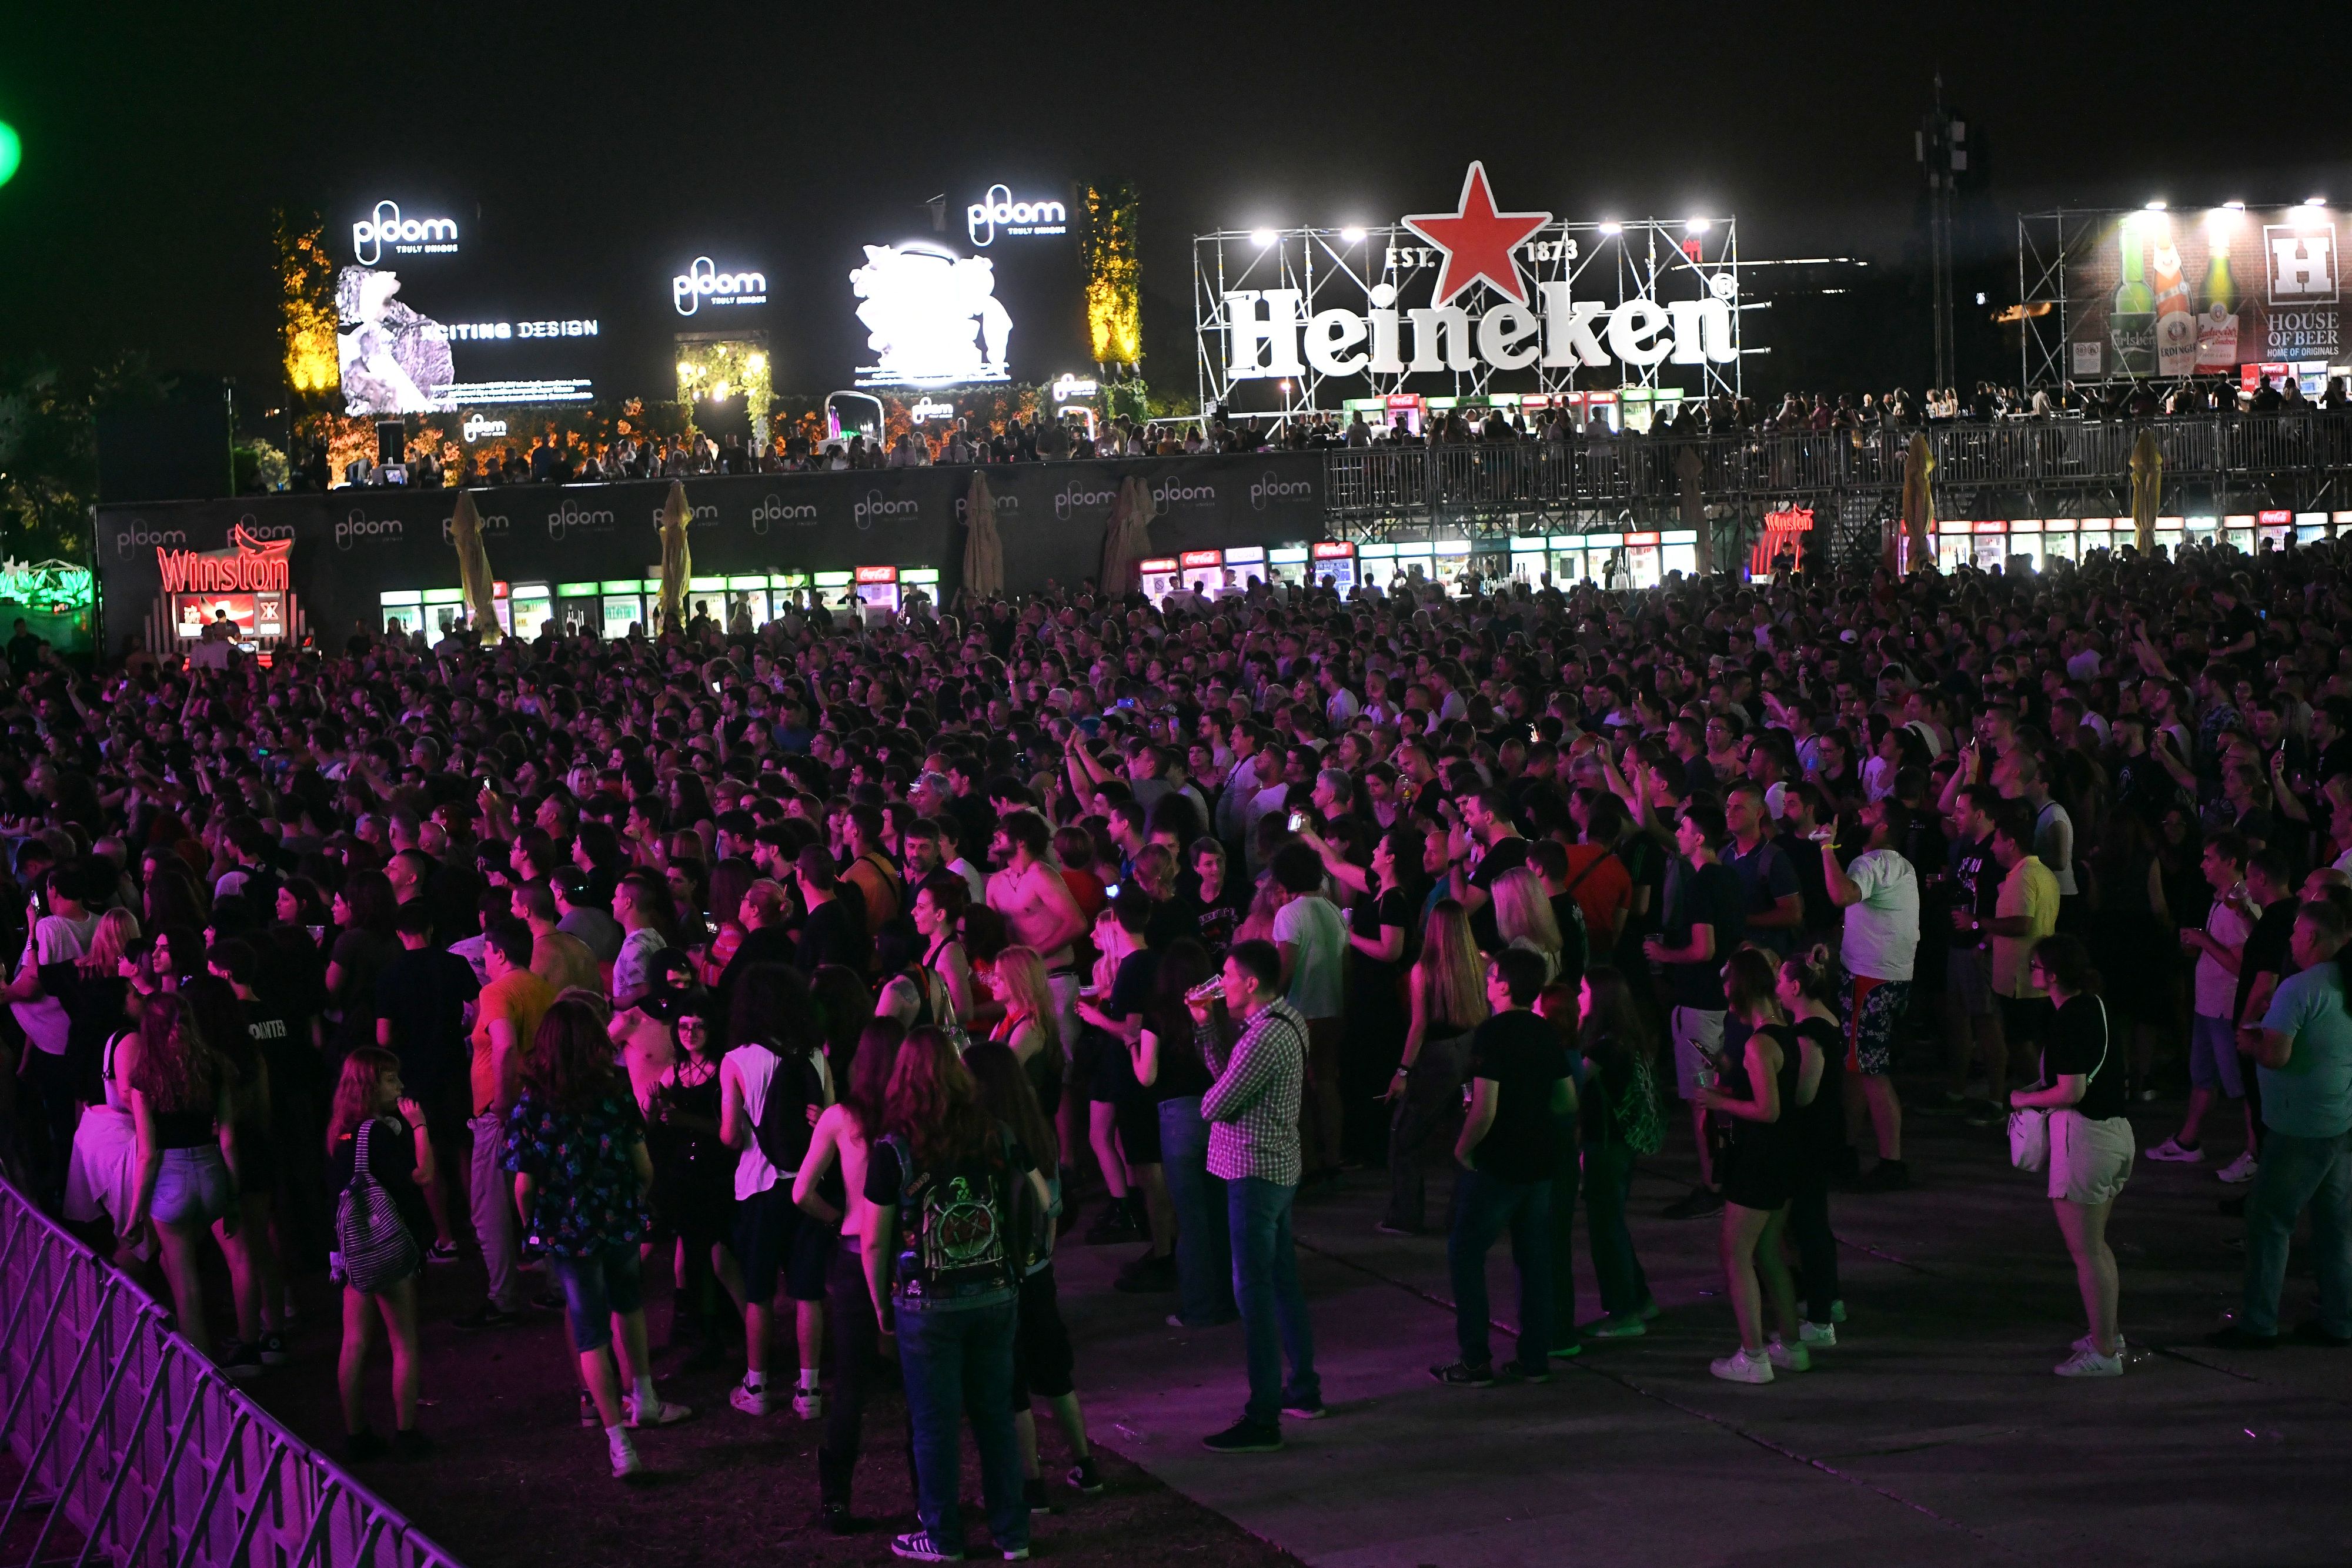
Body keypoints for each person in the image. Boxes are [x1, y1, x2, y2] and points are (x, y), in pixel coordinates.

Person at [861, 1027, 1047, 1563]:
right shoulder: (996, 1132)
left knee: (935, 1424)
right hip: (995, 1291)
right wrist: (1031, 1252)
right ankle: (1013, 1534)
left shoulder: (895, 1148)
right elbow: (1040, 1194)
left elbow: (875, 1237)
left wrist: (880, 1301)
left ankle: (944, 1537)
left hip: (926, 1302)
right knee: (995, 1414)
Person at [505, 998, 693, 1480]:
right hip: (618, 1217)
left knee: (589, 1332)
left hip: (568, 1230)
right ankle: (645, 1393)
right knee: (628, 1304)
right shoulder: (614, 1093)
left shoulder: (531, 1104)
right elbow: (643, 1164)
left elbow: (523, 1184)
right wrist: (632, 1201)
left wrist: (535, 1225)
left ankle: (619, 1443)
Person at [1189, 938, 1322, 1452]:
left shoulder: (1264, 1037)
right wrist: (1205, 1025)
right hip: (1279, 1166)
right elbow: (1230, 1076)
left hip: (1255, 1173)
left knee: (1255, 1295)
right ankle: (1303, 1389)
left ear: (1249, 982)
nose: (1218, 984)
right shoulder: (1285, 1021)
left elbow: (1214, 1102)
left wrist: (1206, 1038)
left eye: (1225, 975)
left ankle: (1263, 1415)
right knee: (1283, 1282)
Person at [965, 1039, 1104, 1507]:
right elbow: (1054, 1204)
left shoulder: (991, 1140)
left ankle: (1030, 1484)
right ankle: (1085, 1463)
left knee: (1012, 1384)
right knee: (1055, 1372)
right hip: (1040, 1270)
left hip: (1003, 1276)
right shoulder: (1040, 1132)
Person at [2213, 898, 2352, 1349]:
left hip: (2300, 1124)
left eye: (2295, 933)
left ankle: (2258, 1322)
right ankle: (2339, 1318)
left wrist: (2250, 1041)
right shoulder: (2342, 983)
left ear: (2311, 937)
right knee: (2334, 1225)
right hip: (2338, 1118)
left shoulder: (2300, 988)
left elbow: (2277, 1053)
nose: (2291, 939)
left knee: (2269, 1219)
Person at [1430, 947, 1568, 1386]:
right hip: (1541, 1160)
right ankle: (1534, 1358)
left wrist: (1463, 1149)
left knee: (1465, 1252)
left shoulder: (1491, 1034)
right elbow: (1567, 1099)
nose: (1487, 982)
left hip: (1500, 1161)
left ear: (1504, 986)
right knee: (1534, 1258)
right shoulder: (1545, 1032)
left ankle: (1474, 1359)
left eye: (1491, 976)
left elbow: (1484, 1107)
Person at [794, 1016, 904, 1534]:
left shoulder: (840, 1118)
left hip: (855, 1248)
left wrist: (837, 1217)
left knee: (852, 1387)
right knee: (915, 1384)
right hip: (907, 1253)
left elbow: (801, 1192)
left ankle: (836, 1500)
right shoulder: (914, 1116)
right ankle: (929, 1497)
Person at [2009, 935, 2134, 1375]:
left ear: (2054, 974)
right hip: (2116, 1134)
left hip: (2085, 1139)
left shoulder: (2067, 1020)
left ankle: (2102, 1354)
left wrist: (2023, 1100)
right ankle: (2108, 1333)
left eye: (2037, 965)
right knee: (2097, 1246)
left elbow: (2072, 1090)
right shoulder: (2094, 1005)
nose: (2032, 971)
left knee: (2086, 1251)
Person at [720, 962, 834, 1422]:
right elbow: (829, 1116)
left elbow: (730, 1135)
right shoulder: (816, 1054)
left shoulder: (738, 1060)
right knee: (809, 1290)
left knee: (759, 1292)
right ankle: (809, 1389)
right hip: (808, 1185)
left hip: (759, 1187)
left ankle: (758, 1383)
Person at [1697, 948, 1809, 1384]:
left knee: (1736, 1253)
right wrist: (1730, 1069)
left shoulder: (1760, 1042)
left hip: (1759, 1160)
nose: (1728, 1004)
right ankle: (1792, 1346)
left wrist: (1717, 1099)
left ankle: (1753, 1354)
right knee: (1768, 1250)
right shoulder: (1784, 1035)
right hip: (1784, 1159)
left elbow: (1768, 1109)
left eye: (1729, 994)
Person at [326, 1047, 433, 1460]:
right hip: (387, 1248)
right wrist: (420, 1127)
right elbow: (423, 1176)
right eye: (391, 1080)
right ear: (371, 1085)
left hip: (354, 1251)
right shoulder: (380, 1134)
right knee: (403, 1340)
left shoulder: (339, 1133)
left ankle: (356, 1433)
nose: (400, 1086)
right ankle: (406, 1431)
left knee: (353, 1341)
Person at [122, 993, 240, 1363]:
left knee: (184, 1284)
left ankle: (201, 1375)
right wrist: (232, 1198)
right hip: (211, 1176)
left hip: (171, 1182)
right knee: (190, 1262)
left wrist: (135, 1215)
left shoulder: (145, 1077)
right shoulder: (214, 1067)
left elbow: (147, 1153)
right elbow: (228, 1138)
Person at [455, 915, 553, 1330]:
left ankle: (504, 1298)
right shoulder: (543, 987)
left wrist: (500, 1102)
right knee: (540, 1195)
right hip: (542, 1102)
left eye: (486, 953)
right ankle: (556, 1283)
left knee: (488, 1207)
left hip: (502, 1112)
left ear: (497, 952)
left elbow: (506, 1043)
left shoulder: (495, 991)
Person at [1647, 800, 1745, 1218]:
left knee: (1703, 1097)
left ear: (1700, 836)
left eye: (1685, 826)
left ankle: (1713, 1182)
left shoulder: (1702, 883)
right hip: (1726, 1000)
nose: (1679, 831)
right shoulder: (1730, 878)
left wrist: (1663, 954)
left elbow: (1702, 948)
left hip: (1700, 1003)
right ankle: (1731, 1172)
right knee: (1725, 1092)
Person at [1818, 796, 1921, 1191]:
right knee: (1857, 1067)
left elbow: (1842, 894)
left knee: (1872, 1072)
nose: (1860, 812)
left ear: (1882, 827)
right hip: (1890, 977)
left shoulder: (1872, 862)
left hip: (1870, 980)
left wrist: (1826, 847)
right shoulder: (1901, 866)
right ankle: (1846, 1148)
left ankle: (1891, 1161)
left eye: (1868, 812)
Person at [1136, 938, 1235, 1328]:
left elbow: (1147, 1075)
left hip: (1178, 1116)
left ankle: (1199, 1306)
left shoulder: (1158, 1013)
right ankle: (1231, 1297)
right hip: (1219, 1110)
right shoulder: (1221, 1009)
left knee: (1190, 1219)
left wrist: (1130, 1047)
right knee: (1221, 1211)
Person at [2150, 833, 2259, 1172]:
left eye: (2210, 858)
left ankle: (2256, 1154)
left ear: (2231, 862)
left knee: (2243, 1088)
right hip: (2208, 1006)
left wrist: (2203, 940)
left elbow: (2242, 965)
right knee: (2203, 1078)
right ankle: (2188, 1141)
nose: (2203, 864)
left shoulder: (2241, 905)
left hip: (2226, 1009)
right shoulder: (2220, 899)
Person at [1383, 901, 1489, 1235]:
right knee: (1463, 1137)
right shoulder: (1480, 964)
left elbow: (1419, 1027)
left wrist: (1402, 1072)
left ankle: (1406, 1216)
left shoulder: (1424, 970)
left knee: (1406, 1136)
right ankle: (1462, 1215)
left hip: (1436, 1059)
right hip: (1470, 1051)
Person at [1574, 966, 1662, 1338]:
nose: (1578, 997)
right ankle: (1640, 1298)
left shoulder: (1604, 1046)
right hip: (1621, 1147)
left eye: (1582, 992)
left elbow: (1572, 1086)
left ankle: (1624, 1313)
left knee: (1605, 1229)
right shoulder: (1628, 1038)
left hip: (1606, 1147)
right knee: (1615, 1226)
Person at [1777, 946, 1849, 1343]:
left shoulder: (1809, 1032)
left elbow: (1804, 1094)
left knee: (1809, 1226)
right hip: (1824, 1136)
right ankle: (1829, 1299)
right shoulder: (1826, 1020)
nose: (1776, 988)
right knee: (1815, 1223)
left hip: (1810, 1140)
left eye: (1780, 981)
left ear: (1795, 986)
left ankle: (1820, 1317)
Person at [1269, 842, 1348, 1186]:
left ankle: (1309, 1164)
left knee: (1297, 1090)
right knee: (1328, 1085)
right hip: (1332, 1010)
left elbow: (1284, 971)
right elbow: (1347, 965)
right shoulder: (1333, 910)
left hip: (1300, 1014)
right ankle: (1333, 1156)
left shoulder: (1289, 914)